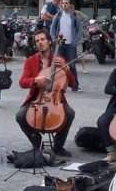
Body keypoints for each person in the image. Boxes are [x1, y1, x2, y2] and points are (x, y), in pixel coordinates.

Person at [17, 28, 76, 157]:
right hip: (36, 99)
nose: (40, 42)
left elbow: (72, 83)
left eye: (42, 39)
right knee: (20, 116)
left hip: (56, 98)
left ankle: (58, 146)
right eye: (37, 40)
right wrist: (36, 80)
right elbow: (22, 82)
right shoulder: (31, 61)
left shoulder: (59, 60)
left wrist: (66, 69)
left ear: (49, 42)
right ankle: (36, 142)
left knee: (70, 113)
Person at [50, 0, 83, 92]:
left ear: (70, 5)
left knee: (71, 65)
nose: (65, 5)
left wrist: (75, 41)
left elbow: (79, 30)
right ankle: (53, 85)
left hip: (70, 44)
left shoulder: (74, 16)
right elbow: (52, 28)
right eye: (63, 3)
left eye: (67, 3)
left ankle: (75, 85)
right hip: (60, 44)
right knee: (56, 65)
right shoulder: (58, 15)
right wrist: (54, 39)